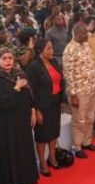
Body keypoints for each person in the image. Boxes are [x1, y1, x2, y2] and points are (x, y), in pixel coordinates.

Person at [0, 49, 41, 184]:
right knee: (9, 152)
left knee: (24, 150)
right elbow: (2, 103)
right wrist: (16, 88)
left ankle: (27, 181)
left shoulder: (20, 74)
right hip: (5, 125)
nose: (8, 61)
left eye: (10, 58)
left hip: (22, 121)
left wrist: (32, 110)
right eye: (4, 58)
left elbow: (29, 94)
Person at [26, 38, 65, 170]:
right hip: (42, 106)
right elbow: (31, 91)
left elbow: (60, 81)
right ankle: (42, 163)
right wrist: (36, 110)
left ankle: (52, 157)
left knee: (54, 133)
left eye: (52, 48)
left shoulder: (54, 62)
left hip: (55, 103)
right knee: (42, 136)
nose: (52, 51)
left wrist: (61, 100)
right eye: (48, 48)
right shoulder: (33, 67)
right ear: (39, 51)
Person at [62, 22, 95, 158]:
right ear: (77, 34)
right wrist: (73, 95)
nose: (87, 35)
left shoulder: (86, 45)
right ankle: (77, 146)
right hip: (79, 92)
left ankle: (86, 142)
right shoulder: (70, 49)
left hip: (92, 88)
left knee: (90, 116)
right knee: (79, 120)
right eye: (84, 33)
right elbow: (68, 74)